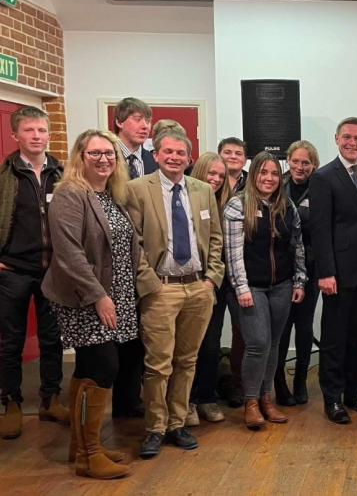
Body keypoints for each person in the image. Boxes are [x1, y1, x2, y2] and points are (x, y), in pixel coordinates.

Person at [43, 129, 155, 479]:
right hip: (84, 297)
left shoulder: (112, 194)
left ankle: (83, 445)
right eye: (95, 153)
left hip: (117, 293)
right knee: (103, 366)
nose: (104, 159)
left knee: (89, 369)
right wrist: (99, 297)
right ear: (80, 156)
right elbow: (69, 254)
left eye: (109, 153)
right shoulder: (70, 195)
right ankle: (89, 456)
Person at [125, 125, 224, 459]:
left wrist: (211, 278)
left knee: (187, 360)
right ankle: (155, 427)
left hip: (198, 287)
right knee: (157, 364)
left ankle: (177, 423)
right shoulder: (137, 189)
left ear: (189, 158)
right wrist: (148, 283)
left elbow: (214, 238)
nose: (174, 157)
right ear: (156, 155)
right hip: (161, 290)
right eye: (168, 152)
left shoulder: (202, 190)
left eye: (181, 153)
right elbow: (133, 243)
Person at [224, 151, 306, 430]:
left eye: (274, 173)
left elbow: (297, 246)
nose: (269, 178)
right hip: (251, 288)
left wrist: (299, 280)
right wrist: (241, 287)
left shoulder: (287, 206)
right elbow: (232, 252)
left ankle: (265, 397)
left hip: (281, 286)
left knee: (274, 344)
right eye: (263, 172)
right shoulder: (237, 206)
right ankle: (250, 401)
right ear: (254, 173)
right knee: (258, 342)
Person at [0, 106, 67, 440]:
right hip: (12, 270)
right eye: (29, 130)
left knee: (52, 339)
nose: (37, 136)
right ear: (16, 135)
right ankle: (11, 402)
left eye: (42, 130)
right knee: (10, 341)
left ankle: (50, 399)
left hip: (53, 271)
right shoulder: (5, 176)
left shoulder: (63, 173)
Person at [310, 118, 357, 424]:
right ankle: (333, 398)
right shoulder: (324, 177)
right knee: (335, 338)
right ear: (337, 139)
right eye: (347, 137)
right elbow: (320, 228)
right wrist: (326, 272)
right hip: (336, 273)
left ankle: (355, 393)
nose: (353, 142)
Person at [111, 97, 156, 419]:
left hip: (151, 260)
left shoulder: (152, 162)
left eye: (147, 120)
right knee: (125, 335)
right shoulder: (108, 160)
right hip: (117, 261)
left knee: (146, 333)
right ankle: (124, 401)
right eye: (137, 119)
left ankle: (142, 397)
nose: (144, 126)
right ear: (120, 122)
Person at [186, 152, 232, 426]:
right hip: (185, 284)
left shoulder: (225, 204)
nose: (214, 179)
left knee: (211, 345)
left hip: (214, 285)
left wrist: (212, 280)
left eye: (220, 176)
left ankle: (206, 397)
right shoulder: (183, 199)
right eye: (210, 173)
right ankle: (187, 400)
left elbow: (220, 247)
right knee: (187, 347)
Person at [275, 140, 321, 407]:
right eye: (295, 161)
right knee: (281, 329)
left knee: (304, 327)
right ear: (288, 160)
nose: (300, 167)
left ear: (313, 164)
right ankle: (279, 383)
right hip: (280, 268)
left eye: (306, 162)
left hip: (311, 268)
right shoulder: (276, 185)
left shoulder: (321, 188)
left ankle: (300, 379)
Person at [218, 136, 248, 407]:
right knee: (209, 333)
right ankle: (205, 391)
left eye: (238, 153)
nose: (233, 157)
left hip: (241, 271)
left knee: (242, 332)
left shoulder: (253, 183)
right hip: (213, 271)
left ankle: (239, 386)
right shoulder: (209, 182)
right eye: (227, 152)